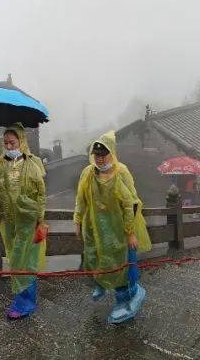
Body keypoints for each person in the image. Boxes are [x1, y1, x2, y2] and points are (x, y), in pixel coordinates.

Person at [74, 131, 152, 324]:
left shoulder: (120, 173)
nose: (99, 159)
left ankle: (125, 300)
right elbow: (81, 199)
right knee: (93, 257)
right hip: (95, 227)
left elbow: (131, 203)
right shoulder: (88, 173)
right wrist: (77, 220)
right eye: (96, 155)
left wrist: (130, 232)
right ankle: (100, 282)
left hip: (118, 228)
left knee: (119, 265)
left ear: (112, 153)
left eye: (103, 154)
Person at [0, 124, 47, 319]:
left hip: (27, 220)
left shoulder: (32, 163)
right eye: (6, 143)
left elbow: (41, 194)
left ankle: (24, 303)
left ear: (21, 142)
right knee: (15, 258)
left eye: (12, 142)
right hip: (7, 220)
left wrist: (40, 219)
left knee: (23, 260)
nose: (9, 146)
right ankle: (25, 300)